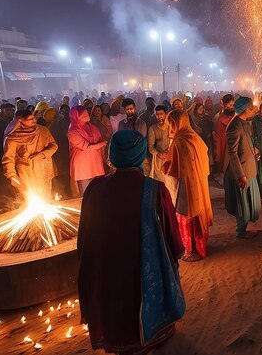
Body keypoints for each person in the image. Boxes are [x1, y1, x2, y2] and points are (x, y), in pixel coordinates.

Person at [78, 130, 185, 355]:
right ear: (141, 154)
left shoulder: (95, 188)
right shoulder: (155, 190)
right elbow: (170, 231)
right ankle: (152, 337)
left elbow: (85, 233)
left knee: (115, 302)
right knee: (140, 298)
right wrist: (175, 252)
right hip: (143, 266)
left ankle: (119, 343)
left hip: (106, 266)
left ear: (113, 154)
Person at [163, 110, 213, 261]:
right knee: (198, 214)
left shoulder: (179, 141)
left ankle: (189, 250)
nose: (170, 127)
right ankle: (200, 247)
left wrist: (165, 160)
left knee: (186, 214)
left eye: (171, 123)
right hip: (200, 182)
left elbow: (171, 169)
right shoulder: (195, 137)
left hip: (185, 185)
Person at [223, 97, 261, 238]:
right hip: (241, 173)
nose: (254, 111)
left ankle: (243, 229)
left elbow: (245, 144)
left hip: (249, 169)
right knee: (242, 205)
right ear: (246, 110)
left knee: (249, 203)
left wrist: (254, 152)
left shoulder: (244, 122)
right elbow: (232, 153)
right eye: (252, 108)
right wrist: (241, 175)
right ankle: (241, 231)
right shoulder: (234, 126)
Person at [3, 110, 58, 198]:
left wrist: (41, 155)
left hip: (43, 167)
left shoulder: (43, 130)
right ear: (20, 121)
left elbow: (54, 146)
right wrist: (12, 175)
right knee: (31, 196)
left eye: (34, 117)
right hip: (26, 170)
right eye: (30, 119)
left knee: (46, 195)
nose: (34, 120)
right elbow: (9, 158)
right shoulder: (12, 138)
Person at [68, 106, 107, 196]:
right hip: (83, 165)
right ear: (77, 117)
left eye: (87, 113)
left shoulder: (90, 126)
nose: (88, 115)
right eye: (84, 114)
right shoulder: (73, 132)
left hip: (94, 161)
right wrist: (102, 143)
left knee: (97, 189)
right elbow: (86, 147)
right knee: (86, 192)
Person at [147, 106, 177, 194]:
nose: (159, 116)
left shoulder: (171, 127)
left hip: (170, 158)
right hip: (158, 160)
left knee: (171, 184)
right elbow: (151, 147)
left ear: (166, 115)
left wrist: (169, 153)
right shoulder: (152, 129)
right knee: (160, 184)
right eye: (157, 114)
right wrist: (159, 154)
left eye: (161, 114)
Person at [50, 105, 72, 198]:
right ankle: (65, 193)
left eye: (67, 111)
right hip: (61, 153)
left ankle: (65, 192)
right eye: (64, 111)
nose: (66, 113)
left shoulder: (67, 122)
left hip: (63, 152)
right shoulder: (59, 123)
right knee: (64, 173)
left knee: (65, 173)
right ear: (60, 112)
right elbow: (67, 136)